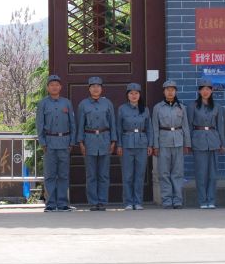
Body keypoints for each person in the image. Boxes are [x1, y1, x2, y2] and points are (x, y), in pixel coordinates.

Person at [36, 74, 76, 212]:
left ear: (60, 87)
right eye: (51, 85)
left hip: (64, 141)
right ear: (48, 88)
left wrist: (72, 141)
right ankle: (51, 204)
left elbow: (72, 124)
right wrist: (42, 142)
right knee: (50, 175)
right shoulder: (43, 103)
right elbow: (40, 124)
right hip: (50, 142)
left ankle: (63, 203)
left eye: (56, 85)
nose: (54, 87)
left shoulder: (67, 103)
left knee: (63, 174)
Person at [77, 76, 117, 211]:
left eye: (98, 86)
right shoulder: (83, 104)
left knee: (104, 174)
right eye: (93, 86)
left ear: (101, 88)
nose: (95, 88)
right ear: (89, 89)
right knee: (91, 174)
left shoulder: (108, 104)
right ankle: (93, 202)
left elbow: (113, 123)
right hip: (89, 140)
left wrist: (113, 141)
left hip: (105, 139)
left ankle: (102, 201)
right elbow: (80, 124)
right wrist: (81, 142)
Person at [151, 80, 192, 208]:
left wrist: (187, 144)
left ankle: (177, 200)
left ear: (176, 92)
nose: (170, 92)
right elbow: (155, 128)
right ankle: (167, 200)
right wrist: (155, 145)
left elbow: (185, 126)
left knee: (177, 172)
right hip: (163, 141)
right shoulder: (158, 108)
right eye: (167, 89)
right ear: (164, 92)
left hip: (178, 142)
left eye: (172, 89)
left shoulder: (181, 107)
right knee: (164, 172)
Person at [116, 83, 152, 211]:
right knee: (128, 175)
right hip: (126, 143)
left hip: (142, 144)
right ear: (127, 95)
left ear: (139, 95)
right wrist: (119, 144)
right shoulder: (122, 109)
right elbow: (118, 128)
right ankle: (128, 202)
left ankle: (138, 201)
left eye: (136, 93)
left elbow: (149, 128)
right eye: (131, 93)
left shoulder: (145, 109)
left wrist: (150, 144)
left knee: (140, 174)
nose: (134, 95)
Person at [190, 78, 224, 209]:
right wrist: (188, 143)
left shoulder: (217, 107)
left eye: (208, 89)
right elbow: (189, 125)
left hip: (213, 140)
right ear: (199, 91)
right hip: (198, 140)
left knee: (212, 173)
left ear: (212, 91)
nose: (205, 91)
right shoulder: (193, 106)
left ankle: (211, 200)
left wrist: (222, 143)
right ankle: (202, 200)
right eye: (203, 89)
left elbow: (220, 126)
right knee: (201, 173)